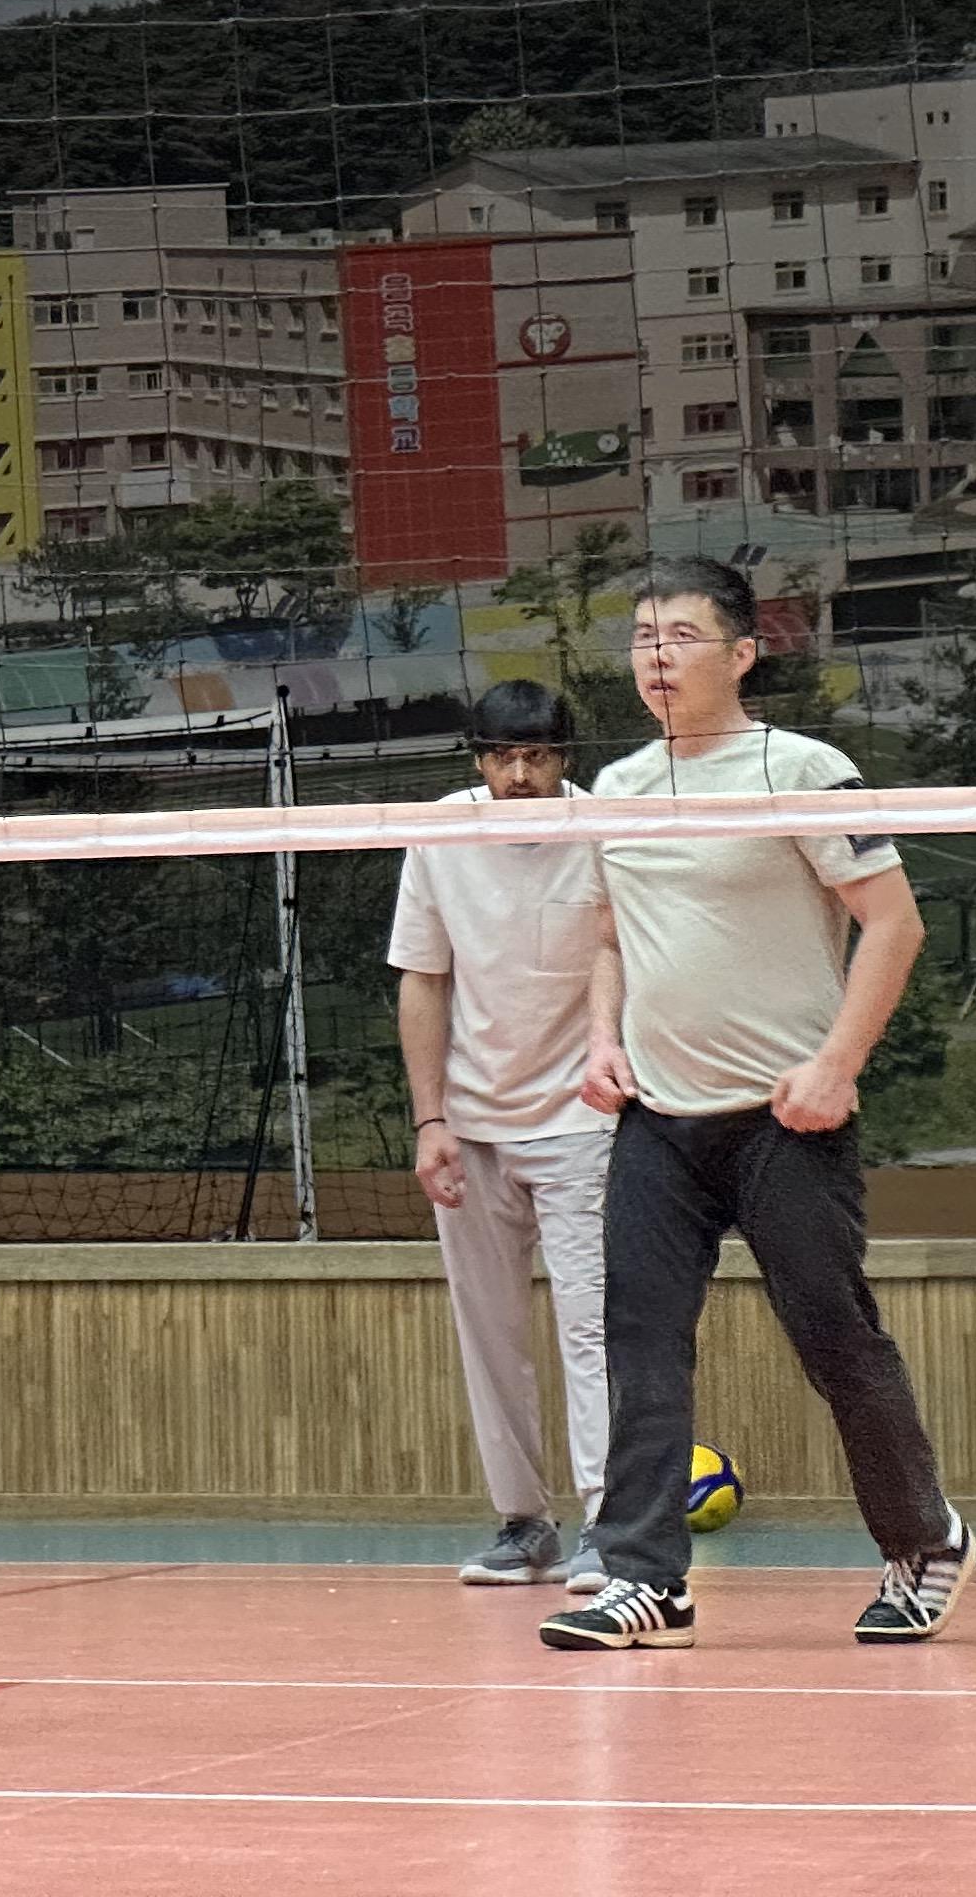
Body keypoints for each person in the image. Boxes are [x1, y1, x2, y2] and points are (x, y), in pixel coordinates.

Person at [538, 554, 976, 1652]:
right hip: (658, 1121)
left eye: (681, 636)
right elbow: (611, 937)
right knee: (640, 1344)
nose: (657, 657)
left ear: (741, 654)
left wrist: (836, 1065)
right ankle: (646, 1579)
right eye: (643, 638)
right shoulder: (618, 788)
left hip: (788, 1118)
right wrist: (602, 1040)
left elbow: (896, 924)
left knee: (834, 1338)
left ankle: (925, 1543)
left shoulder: (805, 768)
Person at [393, 679, 612, 1596]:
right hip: (470, 1127)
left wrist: (611, 1067)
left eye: (537, 757)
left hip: (582, 1122)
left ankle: (610, 1523)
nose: (519, 775)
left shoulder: (605, 829)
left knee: (594, 1325)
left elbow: (622, 956)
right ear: (478, 760)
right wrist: (431, 1121)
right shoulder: (441, 832)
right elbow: (422, 979)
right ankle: (525, 1522)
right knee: (489, 1331)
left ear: (565, 758)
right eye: (501, 757)